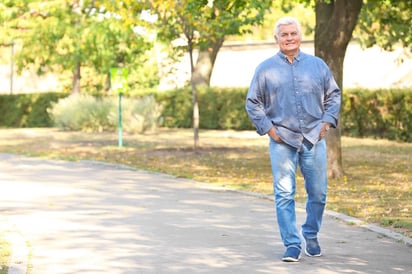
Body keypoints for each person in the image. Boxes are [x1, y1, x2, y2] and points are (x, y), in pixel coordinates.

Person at [245, 16, 341, 262]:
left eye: (293, 34)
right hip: (282, 140)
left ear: (300, 36)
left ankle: (310, 234)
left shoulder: (317, 66)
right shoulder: (265, 69)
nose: (289, 38)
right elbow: (252, 102)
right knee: (284, 194)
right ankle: (291, 244)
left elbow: (333, 95)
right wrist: (268, 129)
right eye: (284, 35)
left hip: (313, 138)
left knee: (318, 193)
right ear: (277, 39)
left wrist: (327, 121)